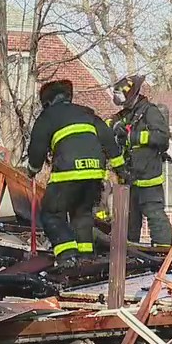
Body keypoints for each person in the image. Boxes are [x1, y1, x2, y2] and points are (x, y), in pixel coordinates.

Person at [27, 79, 125, 264]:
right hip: (95, 173)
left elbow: (37, 149)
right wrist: (120, 169)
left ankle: (68, 257)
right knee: (82, 215)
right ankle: (86, 258)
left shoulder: (48, 116)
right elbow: (108, 140)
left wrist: (32, 170)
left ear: (47, 102)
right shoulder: (86, 113)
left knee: (52, 214)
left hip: (68, 173)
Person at [108, 75, 172, 245]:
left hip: (148, 178)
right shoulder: (125, 114)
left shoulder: (150, 112)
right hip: (129, 178)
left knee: (155, 216)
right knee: (129, 222)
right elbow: (109, 124)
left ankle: (163, 252)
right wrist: (114, 127)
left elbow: (162, 138)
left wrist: (132, 136)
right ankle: (130, 255)